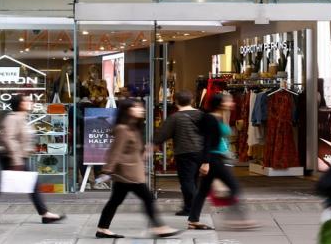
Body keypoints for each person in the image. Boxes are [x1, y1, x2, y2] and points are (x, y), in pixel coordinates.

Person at [95, 99, 180, 239]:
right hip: (128, 173)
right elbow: (115, 152)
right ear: (128, 110)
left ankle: (102, 229)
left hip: (131, 171)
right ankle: (159, 228)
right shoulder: (123, 129)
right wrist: (107, 171)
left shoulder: (133, 128)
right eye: (136, 107)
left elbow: (132, 150)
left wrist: (145, 152)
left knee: (115, 201)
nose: (141, 109)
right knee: (148, 198)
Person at [0, 94, 65, 224]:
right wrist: (16, 161)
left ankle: (44, 213)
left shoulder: (22, 118)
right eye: (27, 100)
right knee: (2, 186)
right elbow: (9, 139)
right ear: (20, 104)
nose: (31, 102)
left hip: (18, 157)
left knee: (30, 185)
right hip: (11, 158)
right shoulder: (12, 118)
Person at [188, 93, 257, 230]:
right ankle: (236, 219)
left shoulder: (218, 117)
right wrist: (205, 162)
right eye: (227, 101)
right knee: (234, 187)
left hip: (216, 157)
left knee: (203, 191)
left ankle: (193, 220)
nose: (231, 103)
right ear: (220, 104)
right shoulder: (210, 118)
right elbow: (207, 141)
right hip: (213, 159)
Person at [153, 90, 204, 216]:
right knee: (194, 180)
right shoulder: (202, 115)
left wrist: (153, 144)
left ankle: (191, 208)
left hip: (184, 152)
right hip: (201, 152)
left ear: (176, 102)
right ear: (192, 101)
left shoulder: (175, 117)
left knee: (187, 181)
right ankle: (190, 207)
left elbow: (162, 134)